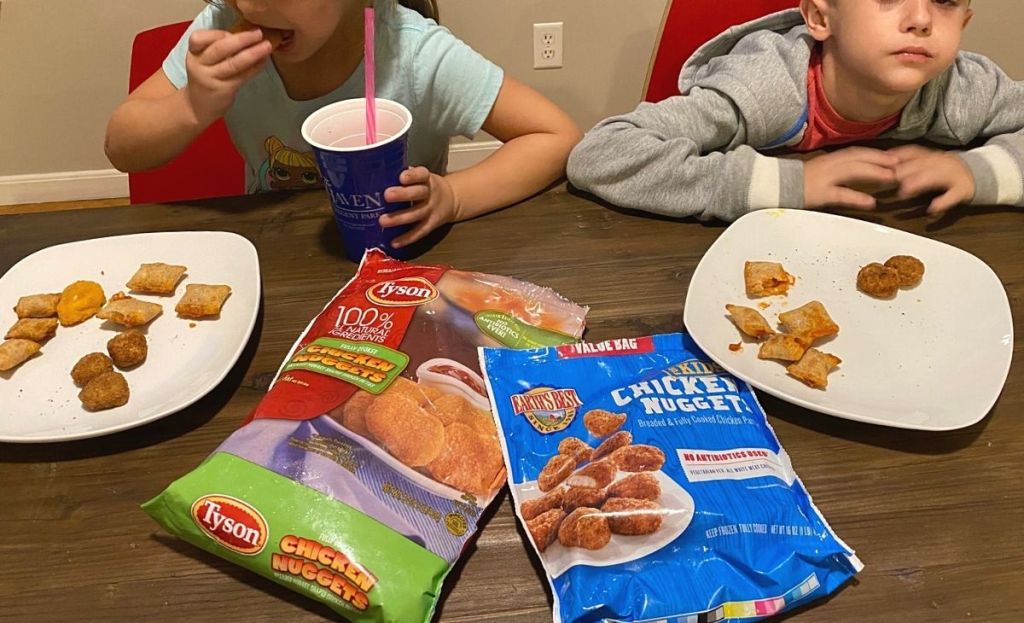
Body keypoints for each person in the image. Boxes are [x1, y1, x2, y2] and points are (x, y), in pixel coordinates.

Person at [106, 0, 581, 248]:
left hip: (402, 263)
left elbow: (556, 136)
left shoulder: (415, 53)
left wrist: (454, 197)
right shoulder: (220, 22)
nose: (250, 6)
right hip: (275, 258)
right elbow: (122, 146)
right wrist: (192, 104)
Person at [567, 0, 1024, 221]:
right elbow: (600, 155)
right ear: (821, 18)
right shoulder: (761, 86)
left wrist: (979, 172)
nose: (922, 18)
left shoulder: (964, 88)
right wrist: (790, 183)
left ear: (964, 20)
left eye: (944, 0)